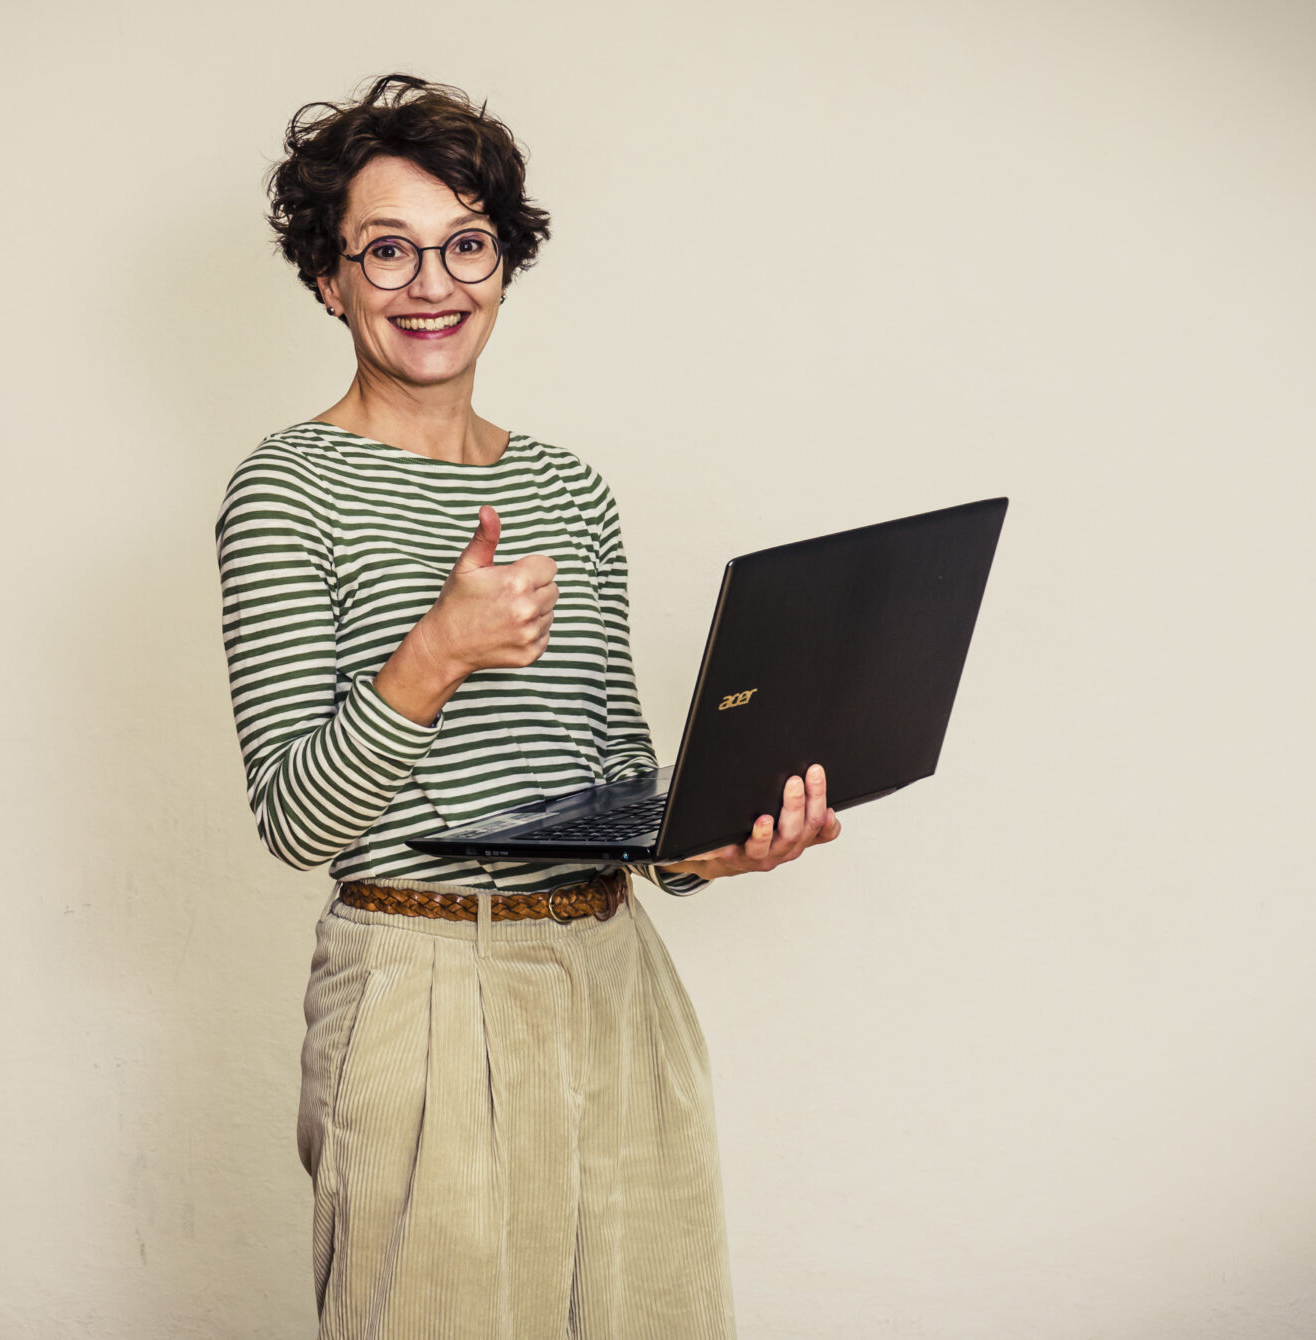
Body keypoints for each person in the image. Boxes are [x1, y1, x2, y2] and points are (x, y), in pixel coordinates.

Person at [215, 74, 841, 1340]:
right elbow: (294, 819)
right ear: (328, 280)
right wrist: (436, 650)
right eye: (386, 250)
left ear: (503, 264)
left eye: (464, 244)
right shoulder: (286, 489)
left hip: (613, 975)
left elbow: (618, 773)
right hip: (420, 976)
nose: (430, 283)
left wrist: (706, 848)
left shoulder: (570, 489)